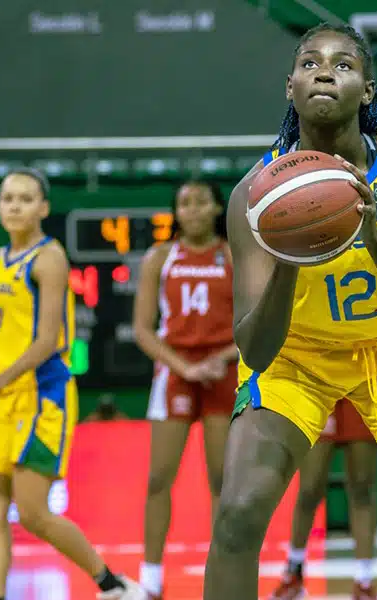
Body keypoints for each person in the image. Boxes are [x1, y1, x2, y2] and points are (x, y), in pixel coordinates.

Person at [203, 22, 377, 600]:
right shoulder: (253, 195)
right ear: (290, 87)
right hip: (295, 360)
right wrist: (289, 254)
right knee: (237, 515)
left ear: (368, 91)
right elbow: (255, 348)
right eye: (310, 63)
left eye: (343, 64)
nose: (324, 72)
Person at [0, 168, 141, 600]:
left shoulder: (49, 258)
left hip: (41, 396)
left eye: (25, 199)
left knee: (33, 513)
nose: (14, 206)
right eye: (7, 198)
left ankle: (110, 584)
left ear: (43, 207)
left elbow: (47, 341)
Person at [132, 180, 236, 600]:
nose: (192, 209)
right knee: (159, 478)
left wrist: (220, 359)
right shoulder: (160, 258)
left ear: (217, 208)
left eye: (200, 202)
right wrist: (186, 368)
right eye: (184, 203)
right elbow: (143, 330)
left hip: (223, 370)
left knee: (222, 480)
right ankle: (151, 580)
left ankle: (223, 574)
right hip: (176, 371)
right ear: (175, 212)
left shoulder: (233, 255)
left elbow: (254, 323)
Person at [269, 398, 377, 600]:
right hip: (322, 392)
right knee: (309, 488)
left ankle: (364, 581)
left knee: (362, 489)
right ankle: (294, 572)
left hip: (359, 393)